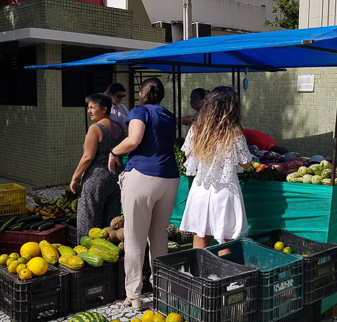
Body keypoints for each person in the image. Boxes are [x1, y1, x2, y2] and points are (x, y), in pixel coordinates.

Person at [108, 77, 180, 309]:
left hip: (142, 176)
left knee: (135, 238)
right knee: (159, 237)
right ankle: (163, 290)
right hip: (169, 178)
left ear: (142, 93)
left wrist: (113, 151)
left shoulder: (139, 111)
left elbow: (134, 139)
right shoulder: (168, 115)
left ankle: (134, 295)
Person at [179, 86, 252, 249]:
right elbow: (246, 164)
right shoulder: (233, 130)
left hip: (200, 189)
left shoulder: (197, 127)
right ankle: (224, 274)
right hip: (225, 191)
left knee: (200, 237)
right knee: (226, 241)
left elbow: (188, 157)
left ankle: (195, 274)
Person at [70, 93, 125, 241]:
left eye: (92, 108)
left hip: (96, 179)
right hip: (115, 178)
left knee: (88, 221)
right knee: (111, 224)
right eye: (88, 107)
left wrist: (75, 177)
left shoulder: (95, 128)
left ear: (104, 109)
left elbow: (88, 157)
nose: (89, 111)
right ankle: (110, 256)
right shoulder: (119, 127)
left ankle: (87, 254)